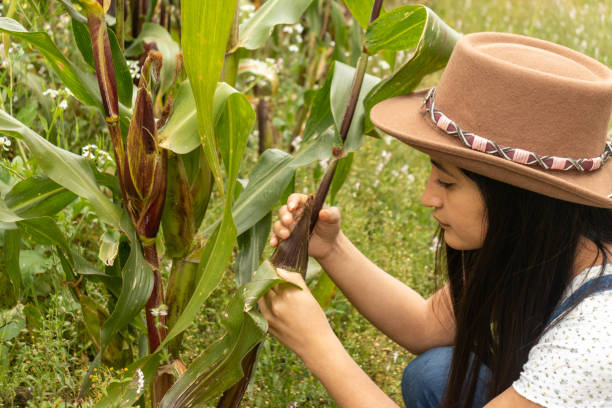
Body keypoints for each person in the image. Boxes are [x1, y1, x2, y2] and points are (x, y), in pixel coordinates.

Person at [257, 32, 612, 408]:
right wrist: (332, 249)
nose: (428, 198)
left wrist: (318, 346)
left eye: (446, 182)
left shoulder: (593, 342)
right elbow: (426, 325)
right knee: (434, 375)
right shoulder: (548, 246)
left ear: (518, 202)